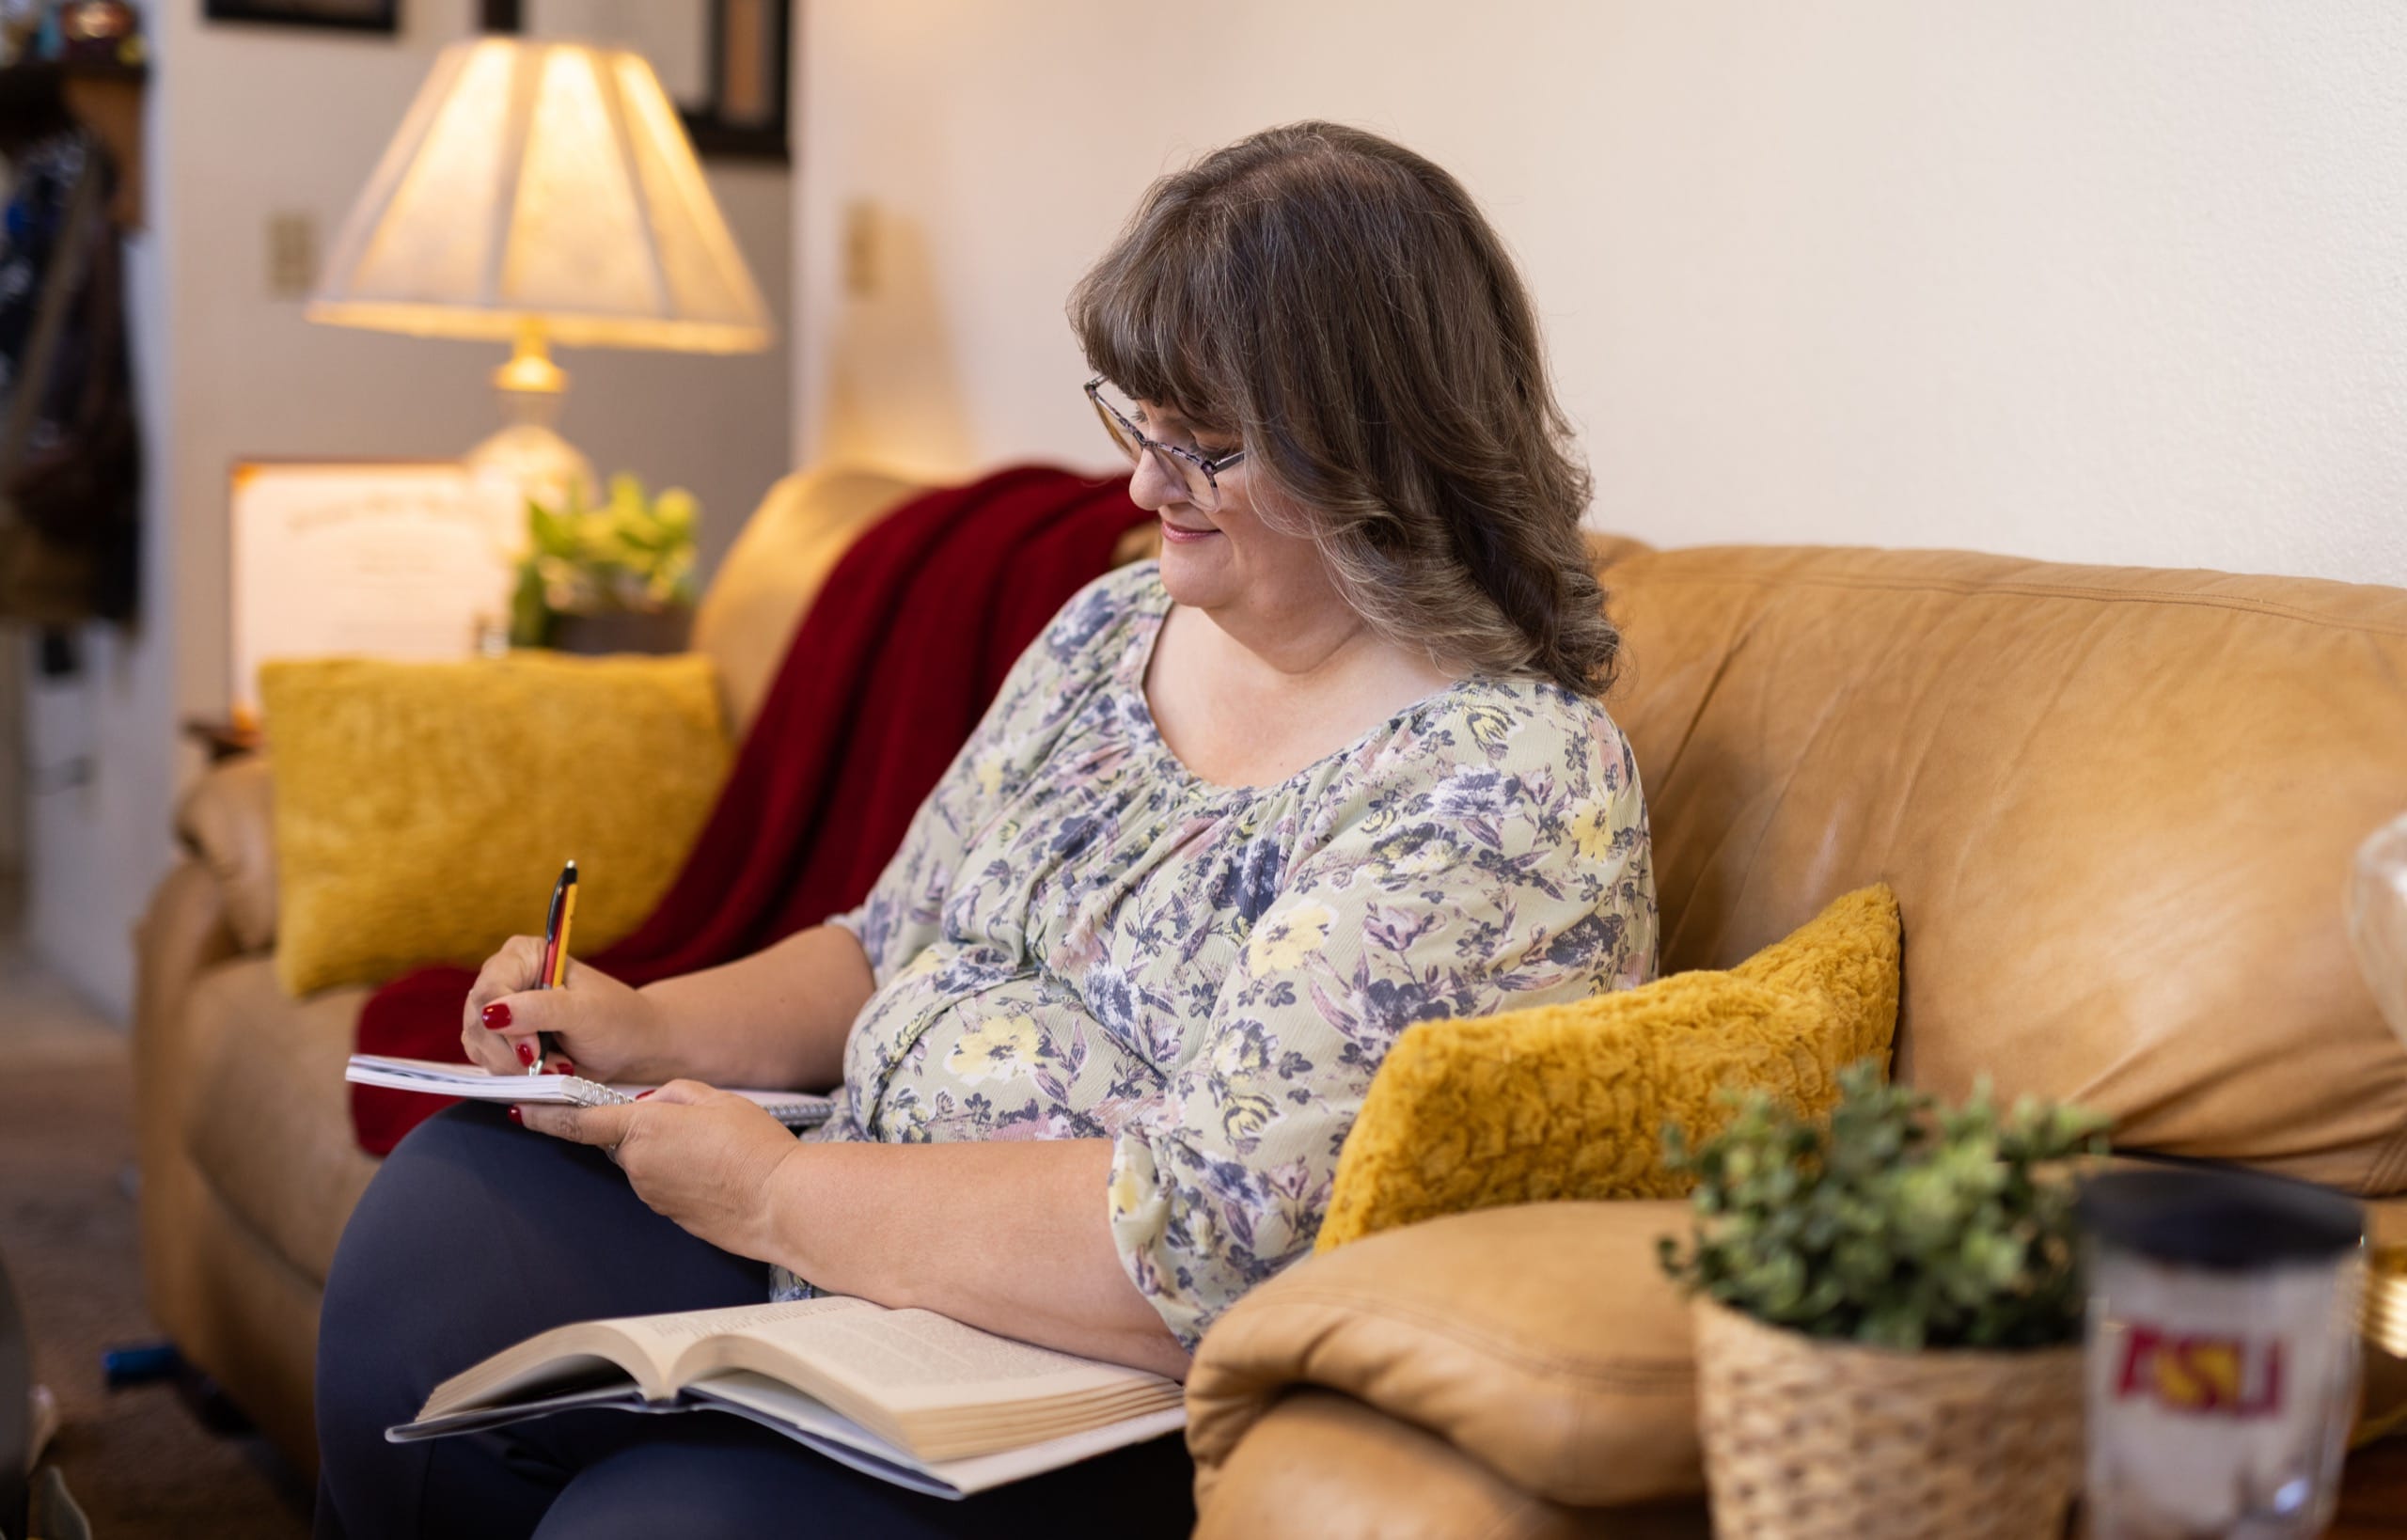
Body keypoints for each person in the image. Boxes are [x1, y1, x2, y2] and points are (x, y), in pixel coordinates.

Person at [313, 119, 1658, 1540]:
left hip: (1078, 1379)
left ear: (1380, 454)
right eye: (1136, 422)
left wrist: (777, 1190)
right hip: (851, 1253)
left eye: (1202, 448)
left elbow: (1204, 1242)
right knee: (442, 1232)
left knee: (664, 1524)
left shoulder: (1497, 783)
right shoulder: (1113, 625)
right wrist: (647, 1025)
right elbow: (883, 943)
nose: (1144, 487)